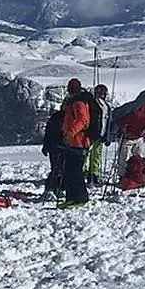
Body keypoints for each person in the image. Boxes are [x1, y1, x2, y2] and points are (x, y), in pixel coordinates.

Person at [60, 79, 93, 208]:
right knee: (71, 171)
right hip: (75, 141)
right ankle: (73, 198)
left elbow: (83, 120)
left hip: (78, 142)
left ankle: (78, 198)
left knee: (74, 171)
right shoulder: (75, 102)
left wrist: (70, 132)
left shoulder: (78, 102)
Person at [114, 103, 145, 181]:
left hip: (138, 137)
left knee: (137, 157)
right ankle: (122, 176)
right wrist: (124, 128)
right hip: (127, 138)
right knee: (123, 157)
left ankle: (136, 173)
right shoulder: (135, 115)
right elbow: (119, 122)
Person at [84, 84, 111, 185]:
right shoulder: (91, 103)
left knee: (97, 155)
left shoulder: (106, 106)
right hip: (90, 133)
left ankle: (93, 174)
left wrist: (107, 135)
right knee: (86, 155)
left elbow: (108, 121)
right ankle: (84, 173)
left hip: (101, 134)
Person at [41, 108, 65, 200]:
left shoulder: (61, 117)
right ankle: (50, 188)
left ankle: (58, 188)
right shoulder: (58, 117)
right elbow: (49, 132)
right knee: (56, 169)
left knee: (61, 169)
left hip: (59, 146)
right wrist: (46, 146)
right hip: (55, 146)